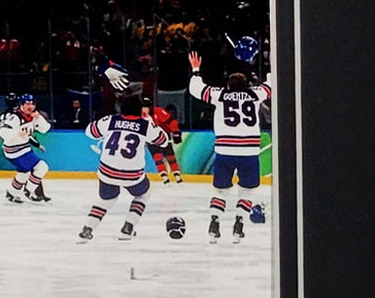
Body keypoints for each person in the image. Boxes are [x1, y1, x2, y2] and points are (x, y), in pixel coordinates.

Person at [188, 45, 272, 243]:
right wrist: (270, 66)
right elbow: (271, 85)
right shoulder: (255, 94)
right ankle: (239, 224)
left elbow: (196, 89)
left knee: (220, 190)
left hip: (225, 150)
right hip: (249, 152)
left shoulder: (220, 94)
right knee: (247, 190)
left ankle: (214, 222)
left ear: (228, 85)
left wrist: (196, 70)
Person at [79, 94, 171, 242]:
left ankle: (87, 229)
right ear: (140, 110)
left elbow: (90, 132)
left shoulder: (110, 120)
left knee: (106, 200)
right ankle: (128, 227)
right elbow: (164, 141)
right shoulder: (145, 125)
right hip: (132, 175)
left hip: (107, 171)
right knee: (144, 194)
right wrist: (148, 121)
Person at [0, 92, 52, 203]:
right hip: (14, 150)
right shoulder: (15, 117)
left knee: (24, 173)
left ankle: (12, 193)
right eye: (27, 104)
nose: (30, 106)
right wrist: (16, 133)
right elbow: (3, 132)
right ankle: (29, 190)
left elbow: (45, 129)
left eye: (32, 104)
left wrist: (39, 118)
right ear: (21, 105)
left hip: (25, 148)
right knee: (41, 167)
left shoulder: (33, 117)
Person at [139, 98, 184, 184]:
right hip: (151, 138)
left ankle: (177, 174)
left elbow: (171, 122)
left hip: (164, 136)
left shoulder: (158, 112)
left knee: (170, 156)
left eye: (146, 107)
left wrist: (176, 132)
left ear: (150, 107)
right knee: (157, 157)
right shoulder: (139, 116)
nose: (144, 109)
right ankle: (164, 176)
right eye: (143, 107)